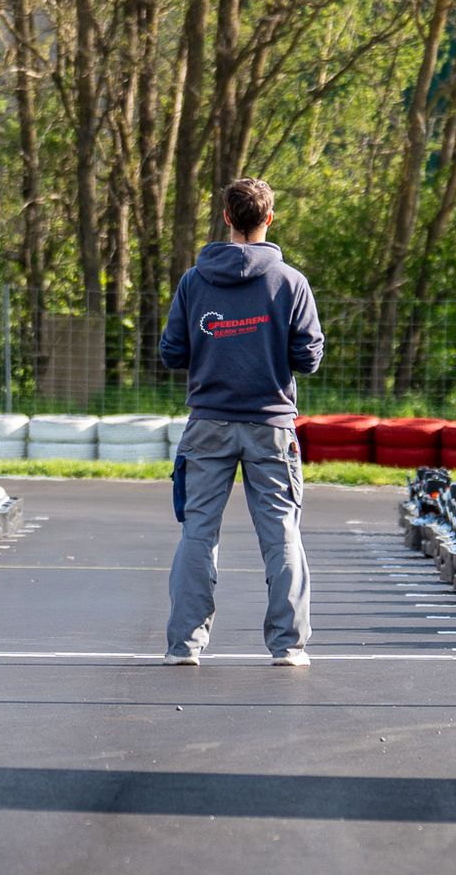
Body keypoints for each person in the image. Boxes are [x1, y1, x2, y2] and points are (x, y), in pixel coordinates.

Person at [158, 177, 324, 667]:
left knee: (197, 533)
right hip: (271, 424)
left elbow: (172, 353)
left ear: (227, 218)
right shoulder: (290, 281)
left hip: (208, 422)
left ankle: (184, 646)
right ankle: (289, 647)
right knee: (282, 533)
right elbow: (309, 357)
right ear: (268, 218)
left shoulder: (194, 280)